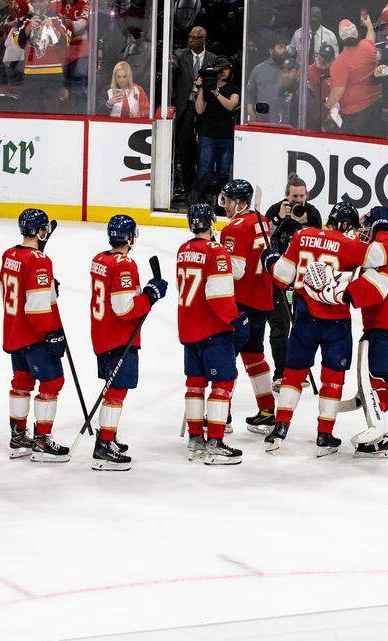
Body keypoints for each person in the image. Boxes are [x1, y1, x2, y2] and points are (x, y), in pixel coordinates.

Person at [306, 207, 388, 456]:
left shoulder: (382, 251)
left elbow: (373, 288)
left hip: (386, 326)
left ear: (373, 226)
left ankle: (382, 432)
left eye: (364, 225)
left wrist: (336, 293)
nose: (361, 231)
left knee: (375, 378)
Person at [261, 203, 373, 455]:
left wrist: (269, 259)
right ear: (346, 225)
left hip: (304, 316)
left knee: (293, 373)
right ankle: (324, 435)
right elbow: (381, 257)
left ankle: (279, 429)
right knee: (333, 377)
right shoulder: (352, 245)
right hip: (336, 321)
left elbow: (281, 276)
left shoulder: (303, 235)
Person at [87, 214, 167, 471]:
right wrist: (150, 295)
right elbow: (124, 308)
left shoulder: (99, 258)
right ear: (130, 237)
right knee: (116, 391)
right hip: (119, 337)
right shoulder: (124, 264)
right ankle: (104, 444)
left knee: (113, 389)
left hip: (102, 333)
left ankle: (107, 435)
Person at [176, 203, 244, 465]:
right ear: (211, 222)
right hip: (213, 329)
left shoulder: (184, 250)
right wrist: (236, 318)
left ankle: (195, 439)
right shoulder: (216, 252)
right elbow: (218, 296)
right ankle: (215, 441)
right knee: (223, 383)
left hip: (188, 327)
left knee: (194, 383)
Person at [0, 208, 69, 462]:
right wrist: (52, 333)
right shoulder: (39, 260)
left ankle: (18, 436)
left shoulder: (10, 255)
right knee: (52, 383)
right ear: (41, 232)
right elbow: (37, 306)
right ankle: (41, 440)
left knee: (21, 381)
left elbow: (15, 289)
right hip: (34, 335)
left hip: (14, 331)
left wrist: (48, 287)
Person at [217, 179, 276, 428]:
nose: (225, 205)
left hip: (241, 303)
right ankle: (267, 411)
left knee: (226, 357)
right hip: (262, 299)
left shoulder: (233, 229)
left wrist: (215, 257)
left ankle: (223, 415)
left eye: (229, 201)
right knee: (254, 355)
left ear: (241, 203)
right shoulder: (261, 220)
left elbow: (238, 270)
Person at [262, 174, 323, 392]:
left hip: (302, 278)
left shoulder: (312, 213)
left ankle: (298, 369)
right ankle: (280, 374)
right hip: (278, 276)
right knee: (280, 325)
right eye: (294, 196)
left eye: (302, 196)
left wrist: (305, 227)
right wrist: (279, 219)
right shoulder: (274, 210)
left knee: (302, 325)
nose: (298, 200)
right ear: (286, 196)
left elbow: (320, 246)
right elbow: (264, 239)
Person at [170, 26, 214, 198]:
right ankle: (189, 192)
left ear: (204, 39)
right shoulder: (181, 56)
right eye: (190, 37)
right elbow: (172, 67)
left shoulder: (212, 59)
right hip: (185, 110)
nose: (191, 40)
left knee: (205, 154)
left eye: (196, 38)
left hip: (206, 112)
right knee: (186, 153)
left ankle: (204, 191)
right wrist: (171, 63)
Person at [190, 57, 239, 203]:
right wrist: (201, 89)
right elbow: (199, 110)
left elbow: (231, 105)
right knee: (204, 170)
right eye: (221, 69)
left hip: (226, 135)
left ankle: (221, 202)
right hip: (208, 134)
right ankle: (198, 200)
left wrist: (216, 92)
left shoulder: (233, 88)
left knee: (223, 172)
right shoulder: (206, 87)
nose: (224, 72)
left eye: (226, 69)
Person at [325, 17, 381, 137]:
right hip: (375, 104)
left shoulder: (339, 63)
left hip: (355, 114)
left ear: (340, 39)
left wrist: (326, 107)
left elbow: (338, 92)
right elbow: (371, 36)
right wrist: (369, 25)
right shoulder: (368, 47)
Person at [14, 0, 70, 114]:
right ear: (33, 3)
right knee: (29, 111)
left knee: (51, 111)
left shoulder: (58, 18)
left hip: (53, 74)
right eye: (36, 1)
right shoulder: (25, 19)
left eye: (42, 1)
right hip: (31, 74)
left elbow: (66, 42)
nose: (39, 3)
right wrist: (29, 27)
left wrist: (52, 28)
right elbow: (19, 44)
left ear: (48, 2)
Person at [244, 36, 290, 124]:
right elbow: (250, 92)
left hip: (283, 119)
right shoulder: (258, 69)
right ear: (271, 50)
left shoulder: (290, 70)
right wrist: (250, 112)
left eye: (284, 47)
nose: (284, 50)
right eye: (280, 47)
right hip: (261, 117)